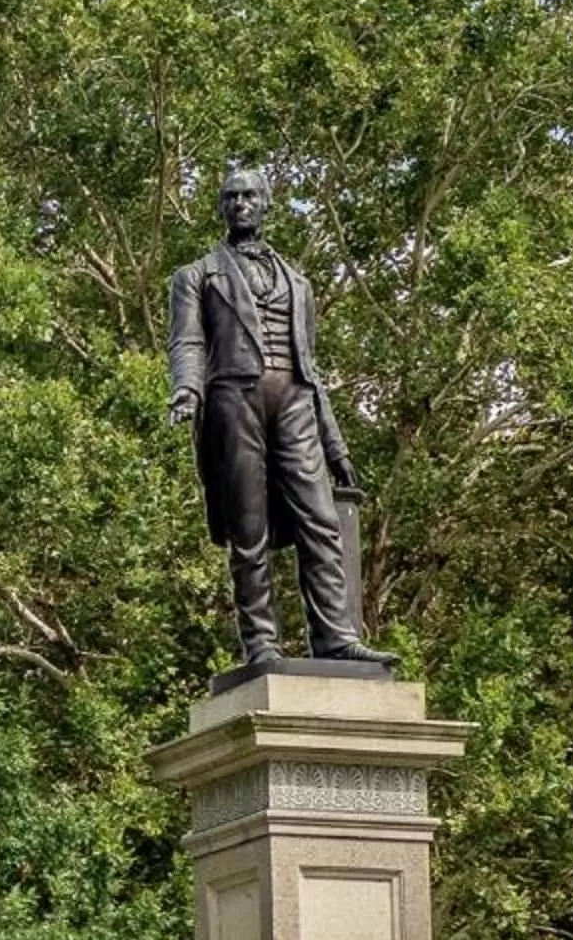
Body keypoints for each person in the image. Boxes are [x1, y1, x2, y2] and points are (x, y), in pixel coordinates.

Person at [166, 161, 399, 673]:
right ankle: (262, 645)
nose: (240, 205)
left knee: (321, 521)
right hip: (234, 398)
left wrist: (335, 446)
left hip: (294, 401)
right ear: (221, 207)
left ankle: (337, 636)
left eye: (249, 196)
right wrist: (186, 391)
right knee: (249, 530)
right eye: (231, 197)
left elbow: (311, 368)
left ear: (267, 205)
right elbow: (186, 341)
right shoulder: (196, 276)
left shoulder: (298, 282)